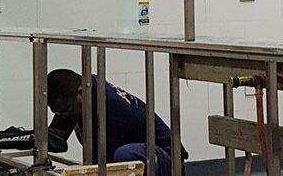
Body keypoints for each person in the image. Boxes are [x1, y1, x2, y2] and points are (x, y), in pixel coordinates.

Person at [46, 69, 186, 176]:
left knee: (124, 155)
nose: (64, 116)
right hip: (137, 149)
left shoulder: (112, 107)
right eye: (58, 113)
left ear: (81, 93)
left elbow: (104, 165)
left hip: (168, 159)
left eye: (67, 110)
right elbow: (56, 140)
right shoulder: (81, 93)